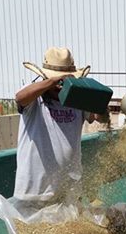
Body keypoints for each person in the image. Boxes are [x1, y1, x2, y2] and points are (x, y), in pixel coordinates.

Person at [13, 46, 101, 207]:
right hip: (34, 191)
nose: (60, 85)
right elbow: (20, 98)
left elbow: (97, 117)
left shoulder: (78, 98)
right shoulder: (35, 100)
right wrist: (51, 82)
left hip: (68, 189)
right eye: (57, 81)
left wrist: (100, 104)